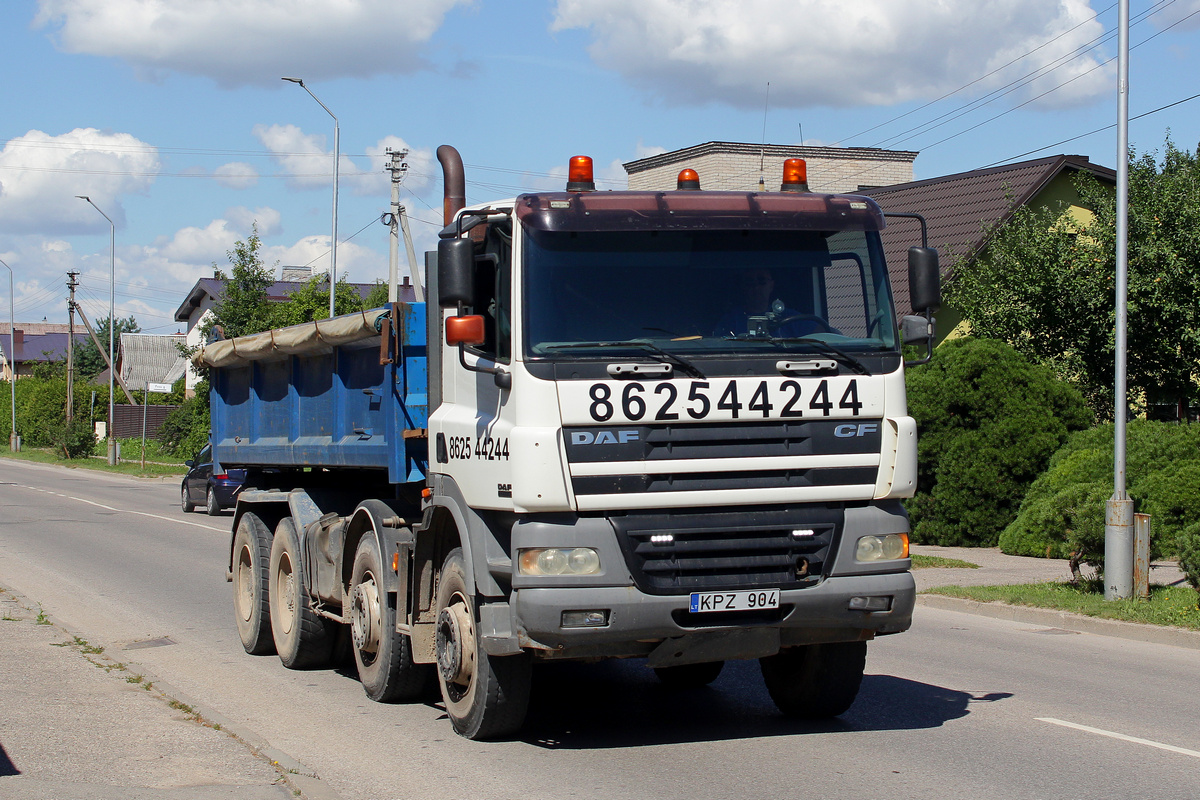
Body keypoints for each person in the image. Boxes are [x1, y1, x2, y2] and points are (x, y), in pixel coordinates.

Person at [713, 268, 831, 338]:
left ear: (771, 285)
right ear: (742, 287)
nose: (756, 286)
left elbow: (825, 333)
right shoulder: (731, 320)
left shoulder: (790, 318)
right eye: (749, 282)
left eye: (761, 281)